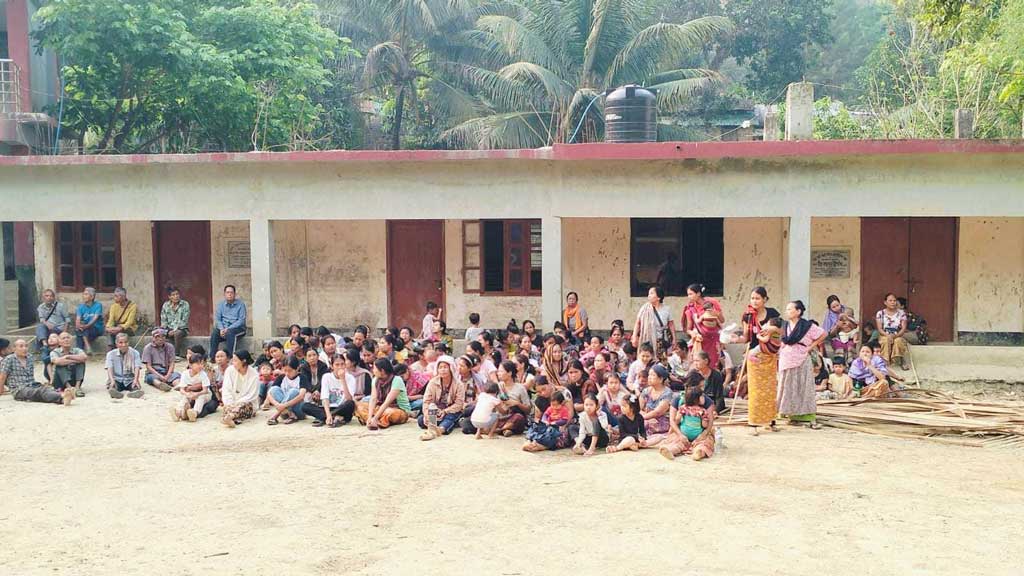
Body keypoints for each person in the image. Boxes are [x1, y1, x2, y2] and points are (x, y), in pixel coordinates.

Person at [732, 287, 781, 433]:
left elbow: (781, 331)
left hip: (770, 355)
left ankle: (771, 421)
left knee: (770, 390)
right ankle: (753, 423)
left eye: (757, 298)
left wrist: (773, 330)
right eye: (752, 298)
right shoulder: (747, 316)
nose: (754, 301)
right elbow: (746, 338)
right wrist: (735, 339)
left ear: (765, 299)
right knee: (755, 390)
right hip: (754, 356)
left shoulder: (773, 314)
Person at [778, 300, 827, 429]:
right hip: (786, 357)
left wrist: (811, 346)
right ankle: (787, 412)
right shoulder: (784, 325)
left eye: (790, 309)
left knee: (803, 386)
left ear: (798, 311)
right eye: (787, 309)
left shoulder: (807, 326)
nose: (787, 311)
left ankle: (806, 414)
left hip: (802, 356)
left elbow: (823, 333)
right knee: (787, 385)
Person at [0, 339, 76, 405]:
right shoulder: (9, 359)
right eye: (21, 346)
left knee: (45, 389)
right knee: (39, 392)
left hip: (32, 385)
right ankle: (62, 396)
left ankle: (63, 399)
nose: (24, 348)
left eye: (26, 346)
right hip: (19, 389)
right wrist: (1, 391)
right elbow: (3, 376)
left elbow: (30, 375)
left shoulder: (29, 357)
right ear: (14, 348)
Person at [659, 386, 717, 461]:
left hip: (684, 434)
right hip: (698, 435)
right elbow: (704, 425)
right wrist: (705, 421)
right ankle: (699, 452)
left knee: (678, 443)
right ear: (697, 399)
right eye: (702, 396)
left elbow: (676, 420)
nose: (704, 397)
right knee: (703, 444)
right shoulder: (702, 411)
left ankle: (671, 450)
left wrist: (680, 432)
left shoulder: (682, 408)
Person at [418, 355, 467, 440]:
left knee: (450, 418)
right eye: (440, 367)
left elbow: (459, 404)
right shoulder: (433, 382)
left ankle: (439, 430)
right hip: (436, 410)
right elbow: (427, 401)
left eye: (445, 367)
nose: (443, 370)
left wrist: (445, 411)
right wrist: (426, 414)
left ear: (451, 368)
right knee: (421, 420)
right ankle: (433, 426)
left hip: (451, 410)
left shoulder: (459, 384)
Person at [355, 358, 412, 430]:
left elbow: (387, 402)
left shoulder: (397, 380)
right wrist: (369, 417)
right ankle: (372, 421)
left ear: (382, 371)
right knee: (358, 405)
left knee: (391, 413)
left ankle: (377, 421)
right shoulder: (375, 379)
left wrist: (375, 418)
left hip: (398, 409)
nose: (373, 370)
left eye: (375, 368)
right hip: (380, 408)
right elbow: (373, 399)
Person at [305, 355, 357, 427]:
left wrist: (343, 379)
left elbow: (349, 399)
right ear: (332, 366)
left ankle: (325, 417)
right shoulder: (326, 377)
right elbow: (325, 397)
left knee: (350, 404)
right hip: (328, 408)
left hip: (342, 408)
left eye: (342, 364)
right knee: (305, 406)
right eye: (337, 365)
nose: (340, 367)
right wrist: (328, 414)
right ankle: (333, 417)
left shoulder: (350, 378)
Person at [682, 283, 724, 368]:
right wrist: (693, 334)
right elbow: (688, 329)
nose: (689, 297)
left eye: (691, 294)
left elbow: (722, 320)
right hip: (700, 341)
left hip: (713, 340)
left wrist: (716, 314)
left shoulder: (712, 303)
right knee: (699, 365)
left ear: (698, 294)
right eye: (688, 294)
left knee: (713, 365)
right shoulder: (690, 308)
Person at [631, 285, 675, 361]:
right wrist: (634, 336)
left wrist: (674, 339)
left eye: (651, 293)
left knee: (662, 361)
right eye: (649, 294)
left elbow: (671, 324)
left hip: (662, 340)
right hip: (647, 339)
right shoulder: (645, 308)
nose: (649, 296)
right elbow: (638, 323)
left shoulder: (666, 309)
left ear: (658, 297)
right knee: (647, 360)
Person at [266, 355, 312, 425]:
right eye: (285, 370)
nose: (287, 373)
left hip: (298, 410)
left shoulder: (302, 378)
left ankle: (276, 415)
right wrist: (277, 404)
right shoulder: (281, 377)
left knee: (294, 391)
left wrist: (283, 406)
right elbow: (269, 394)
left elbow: (301, 396)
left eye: (290, 371)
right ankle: (290, 414)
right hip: (284, 412)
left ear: (297, 368)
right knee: (274, 389)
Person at [221, 350, 260, 428]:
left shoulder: (254, 374)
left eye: (235, 361)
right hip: (231, 404)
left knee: (244, 406)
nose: (233, 363)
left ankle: (230, 417)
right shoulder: (229, 370)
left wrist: (237, 403)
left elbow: (252, 395)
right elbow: (226, 390)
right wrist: (230, 403)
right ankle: (234, 419)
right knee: (227, 407)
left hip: (248, 403)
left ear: (243, 361)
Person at [639, 365, 674, 446]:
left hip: (660, 421)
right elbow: (639, 408)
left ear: (661, 379)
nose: (649, 377)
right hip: (646, 418)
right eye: (649, 375)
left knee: (642, 424)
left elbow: (658, 412)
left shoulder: (667, 393)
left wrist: (641, 418)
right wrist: (642, 417)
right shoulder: (646, 391)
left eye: (653, 375)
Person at [170, 354, 210, 422]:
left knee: (200, 398)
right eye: (198, 364)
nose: (200, 366)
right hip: (190, 393)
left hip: (203, 394)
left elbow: (205, 390)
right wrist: (187, 394)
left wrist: (197, 394)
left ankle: (194, 413)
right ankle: (178, 413)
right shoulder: (185, 374)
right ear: (191, 365)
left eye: (202, 364)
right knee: (185, 398)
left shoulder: (203, 374)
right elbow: (181, 389)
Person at [210, 285, 247, 358]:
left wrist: (228, 329)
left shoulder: (240, 304)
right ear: (224, 294)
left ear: (235, 294)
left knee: (230, 333)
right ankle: (212, 357)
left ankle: (230, 357)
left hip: (238, 329)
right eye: (227, 292)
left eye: (231, 292)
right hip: (224, 329)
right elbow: (218, 319)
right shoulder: (220, 305)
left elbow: (241, 320)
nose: (229, 294)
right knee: (215, 332)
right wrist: (221, 329)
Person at [876, 293, 910, 370]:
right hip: (884, 334)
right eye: (890, 300)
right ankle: (885, 361)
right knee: (885, 341)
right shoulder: (880, 313)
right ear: (885, 302)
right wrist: (888, 335)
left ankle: (900, 359)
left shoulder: (902, 313)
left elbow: (903, 328)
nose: (893, 302)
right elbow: (880, 328)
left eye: (894, 300)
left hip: (897, 334)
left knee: (898, 341)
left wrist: (895, 335)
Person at [105, 332, 144, 399]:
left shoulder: (135, 353)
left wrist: (135, 380)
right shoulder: (110, 354)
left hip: (130, 378)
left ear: (128, 342)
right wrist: (112, 380)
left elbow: (137, 368)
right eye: (120, 342)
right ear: (116, 343)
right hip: (117, 379)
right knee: (114, 387)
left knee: (134, 386)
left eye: (126, 342)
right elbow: (109, 368)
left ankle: (134, 392)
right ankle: (115, 393)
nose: (124, 345)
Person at [823, 295, 859, 360]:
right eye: (833, 307)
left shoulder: (847, 311)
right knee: (840, 347)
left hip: (849, 336)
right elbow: (830, 334)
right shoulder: (829, 317)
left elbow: (855, 325)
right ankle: (840, 365)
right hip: (836, 338)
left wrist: (848, 322)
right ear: (830, 308)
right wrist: (837, 326)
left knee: (850, 346)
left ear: (840, 303)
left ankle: (850, 365)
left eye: (837, 305)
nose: (837, 308)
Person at [160, 286, 191, 358]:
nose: (176, 296)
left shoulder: (185, 304)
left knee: (177, 333)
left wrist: (174, 330)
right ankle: (160, 355)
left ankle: (176, 355)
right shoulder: (165, 305)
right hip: (168, 329)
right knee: (158, 332)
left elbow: (184, 321)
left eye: (177, 294)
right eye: (173, 295)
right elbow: (163, 320)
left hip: (181, 329)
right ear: (169, 297)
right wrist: (167, 330)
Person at [36, 289, 69, 354]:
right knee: (40, 326)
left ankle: (44, 350)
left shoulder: (60, 306)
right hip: (48, 328)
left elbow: (67, 319)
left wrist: (64, 332)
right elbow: (42, 319)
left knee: (39, 334)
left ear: (54, 298)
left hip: (59, 329)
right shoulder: (40, 307)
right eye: (47, 296)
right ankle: (45, 345)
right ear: (43, 298)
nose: (49, 298)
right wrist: (47, 324)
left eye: (51, 296)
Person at [74, 287, 105, 353]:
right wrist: (78, 326)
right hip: (85, 330)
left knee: (83, 331)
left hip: (96, 328)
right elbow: (78, 319)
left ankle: (83, 349)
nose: (84, 296)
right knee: (79, 331)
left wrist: (86, 326)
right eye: (84, 294)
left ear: (92, 297)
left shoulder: (98, 305)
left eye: (86, 294)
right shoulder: (81, 306)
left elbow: (95, 319)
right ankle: (82, 351)